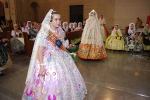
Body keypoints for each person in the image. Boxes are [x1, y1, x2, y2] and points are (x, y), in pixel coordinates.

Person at [22, 9, 87, 100]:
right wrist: (41, 65)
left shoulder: (60, 31)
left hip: (61, 56)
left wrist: (67, 52)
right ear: (50, 21)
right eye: (56, 19)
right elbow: (39, 51)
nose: (59, 22)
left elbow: (61, 45)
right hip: (48, 58)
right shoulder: (44, 33)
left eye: (59, 19)